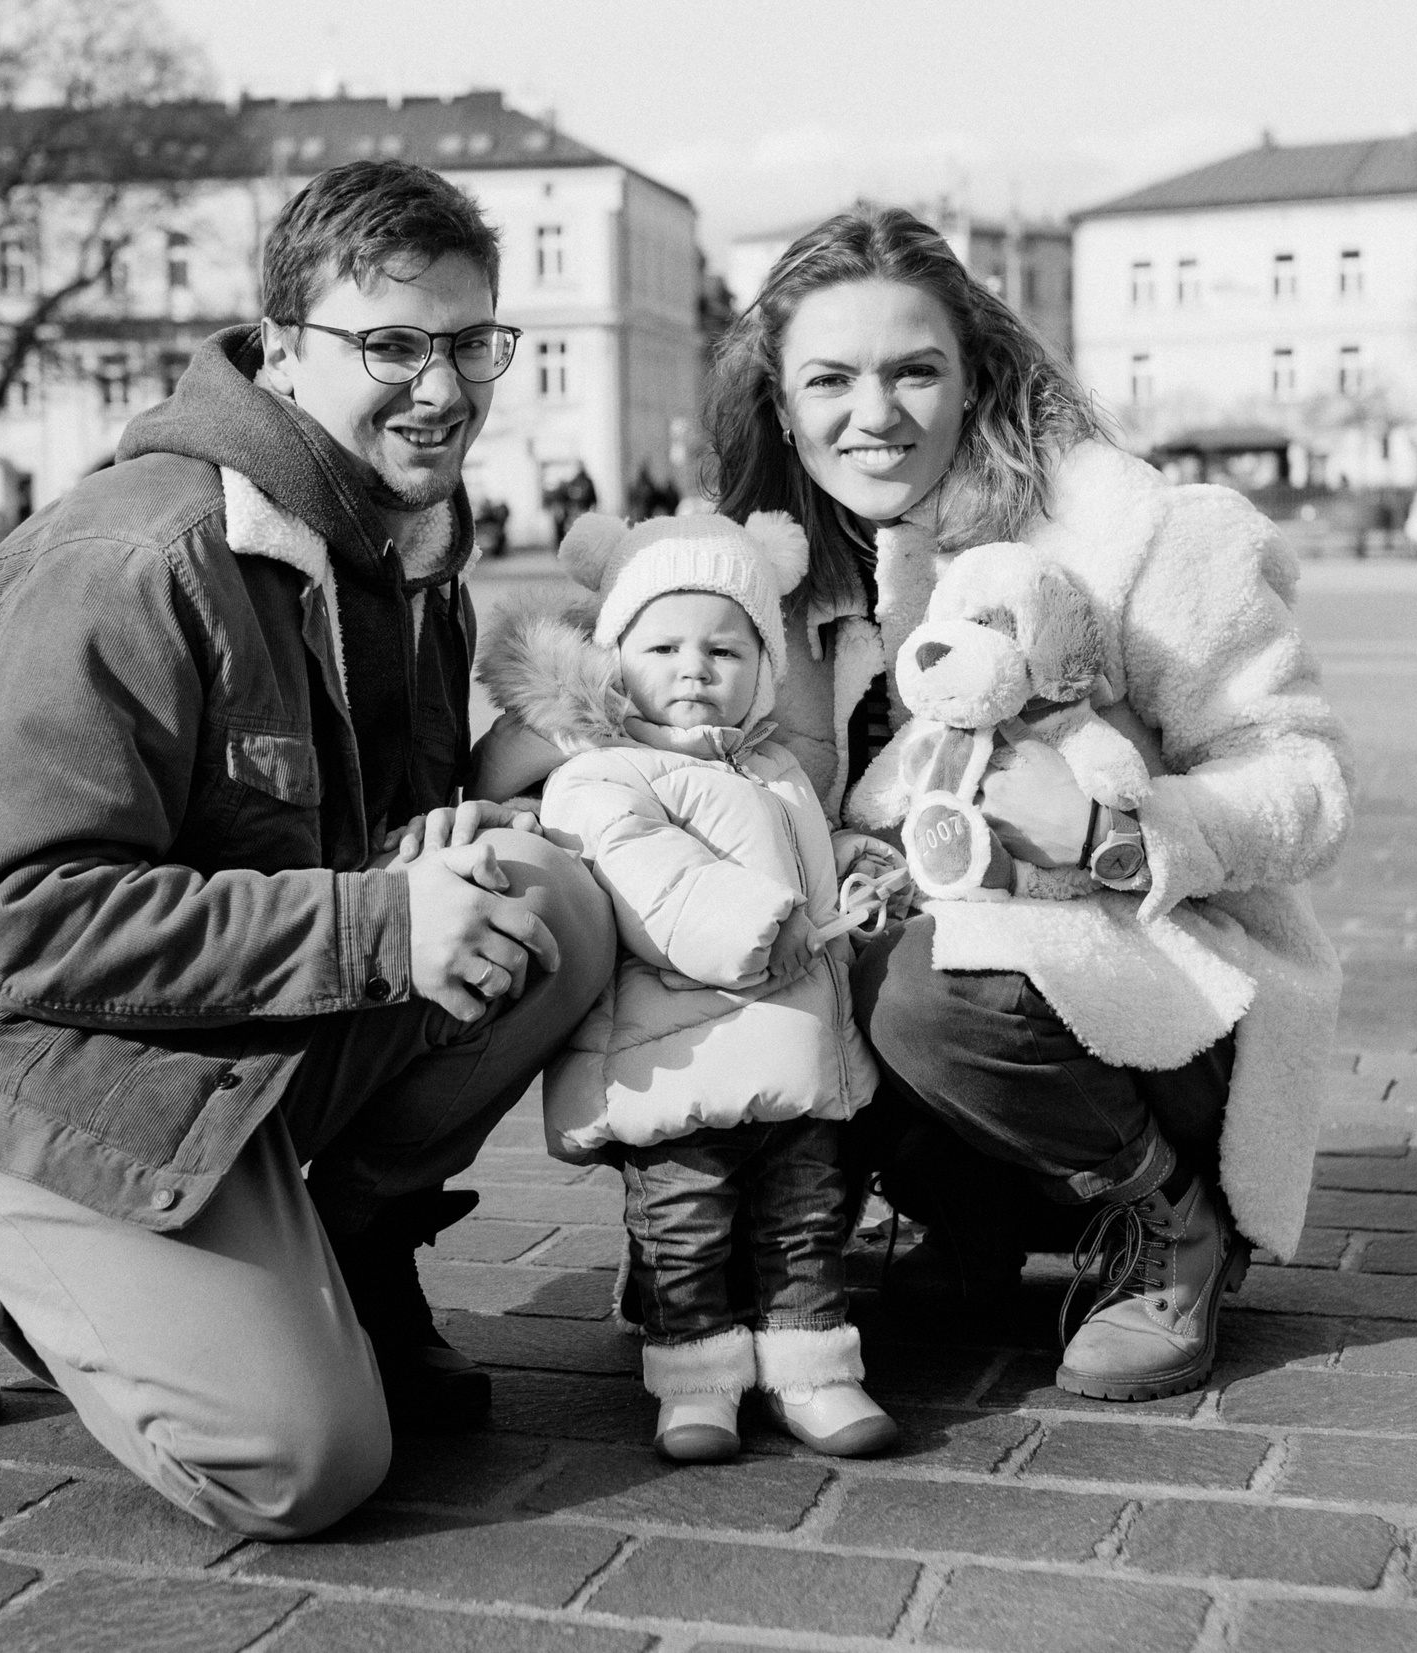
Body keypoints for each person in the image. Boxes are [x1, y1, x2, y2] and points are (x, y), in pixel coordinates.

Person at [0, 160, 615, 1539]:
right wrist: (384, 925)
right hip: (30, 1049)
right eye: (390, 345)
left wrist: (456, 840)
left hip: (216, 1020)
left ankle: (348, 1250)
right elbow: (24, 922)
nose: (444, 387)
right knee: (302, 1464)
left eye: (471, 342)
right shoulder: (136, 559)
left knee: (551, 904)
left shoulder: (409, 536)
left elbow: (382, 838)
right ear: (279, 348)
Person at [491, 206, 1352, 1404]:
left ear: (977, 378)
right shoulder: (761, 587)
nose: (874, 412)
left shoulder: (1138, 534)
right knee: (673, 909)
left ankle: (1170, 1218)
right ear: (781, 403)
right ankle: (917, 1218)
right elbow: (632, 761)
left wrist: (1119, 830)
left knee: (913, 976)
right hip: (927, 1013)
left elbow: (1305, 781)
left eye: (914, 371)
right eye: (831, 379)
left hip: (1157, 1013)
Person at [474, 509, 901, 1464]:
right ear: (616, 658)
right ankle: (696, 1378)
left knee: (806, 1220)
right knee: (685, 1228)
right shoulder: (603, 772)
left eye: (726, 647)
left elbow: (801, 860)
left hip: (793, 1059)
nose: (694, 667)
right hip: (675, 1066)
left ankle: (816, 1368)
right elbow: (649, 877)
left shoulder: (776, 765)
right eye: (662, 645)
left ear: (764, 666)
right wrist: (760, 921)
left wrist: (854, 867)